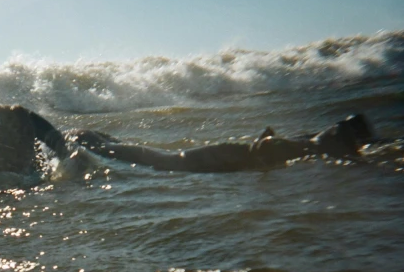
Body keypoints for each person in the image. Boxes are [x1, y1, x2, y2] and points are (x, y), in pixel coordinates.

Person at [0, 81, 371, 174]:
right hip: (87, 148)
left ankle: (314, 144)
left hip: (86, 149)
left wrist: (64, 157)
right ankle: (300, 146)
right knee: (176, 162)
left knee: (179, 164)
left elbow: (26, 116)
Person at [70, 114, 371, 172]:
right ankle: (333, 137)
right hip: (188, 159)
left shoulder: (104, 149)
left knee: (255, 154)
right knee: (252, 154)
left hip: (188, 163)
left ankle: (329, 140)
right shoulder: (110, 145)